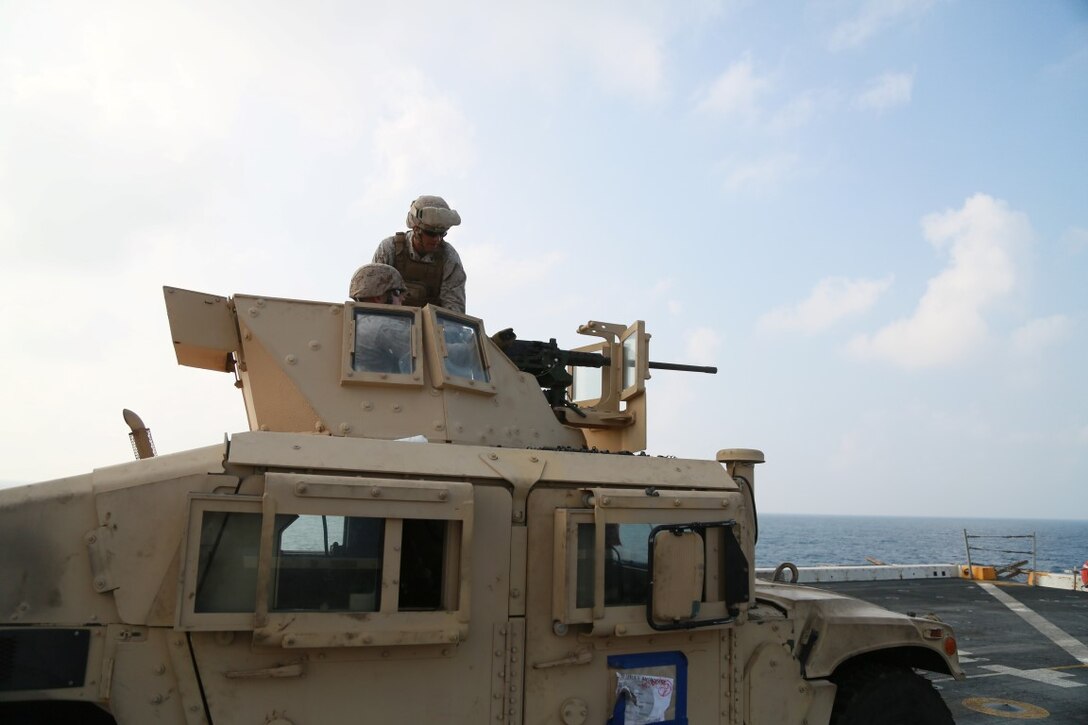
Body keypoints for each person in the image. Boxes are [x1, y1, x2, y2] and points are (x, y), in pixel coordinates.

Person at [372, 195, 467, 313]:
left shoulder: (449, 258)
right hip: (388, 325)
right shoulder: (389, 249)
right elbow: (373, 297)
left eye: (442, 234)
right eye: (431, 233)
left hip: (431, 328)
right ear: (416, 230)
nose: (437, 239)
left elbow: (454, 309)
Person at [347, 263, 413, 374]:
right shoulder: (383, 325)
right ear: (378, 297)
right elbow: (432, 351)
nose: (403, 298)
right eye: (397, 292)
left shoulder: (356, 323)